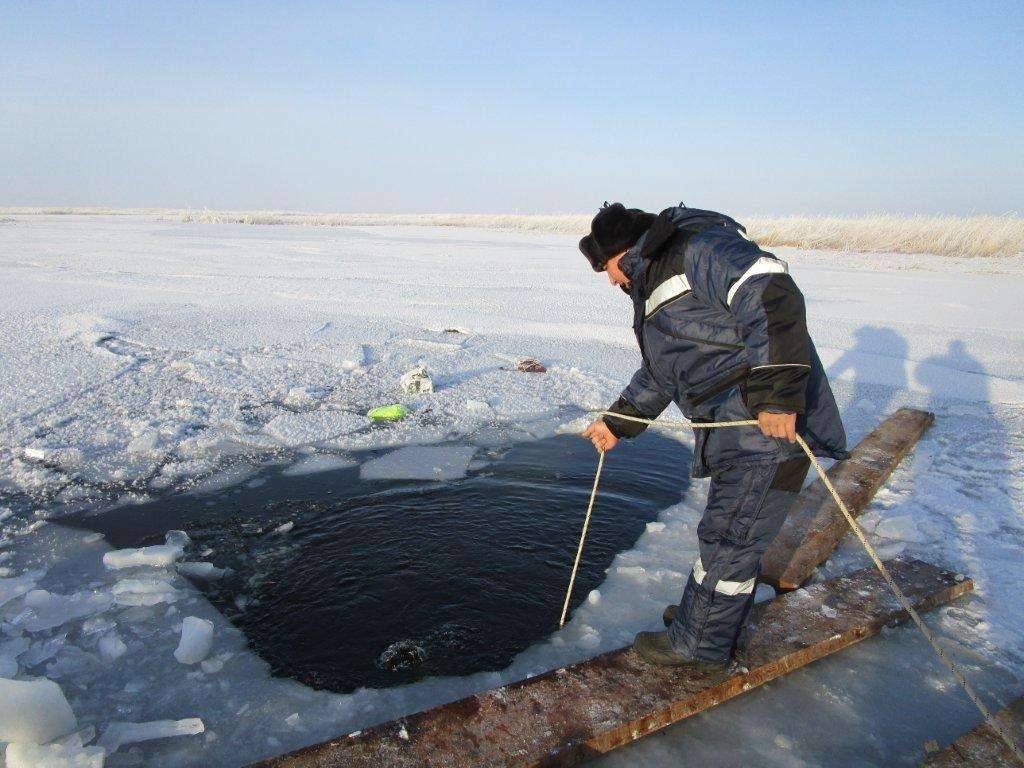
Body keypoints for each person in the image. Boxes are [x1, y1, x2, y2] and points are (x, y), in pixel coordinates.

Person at [579, 202, 847, 670]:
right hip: (740, 427)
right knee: (726, 534)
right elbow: (664, 371)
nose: (611, 281)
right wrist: (617, 421)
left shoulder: (696, 249)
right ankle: (701, 620)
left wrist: (778, 394)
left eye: (607, 268)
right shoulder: (659, 279)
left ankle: (699, 646)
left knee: (730, 539)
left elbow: (768, 287)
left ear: (625, 251)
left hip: (760, 427)